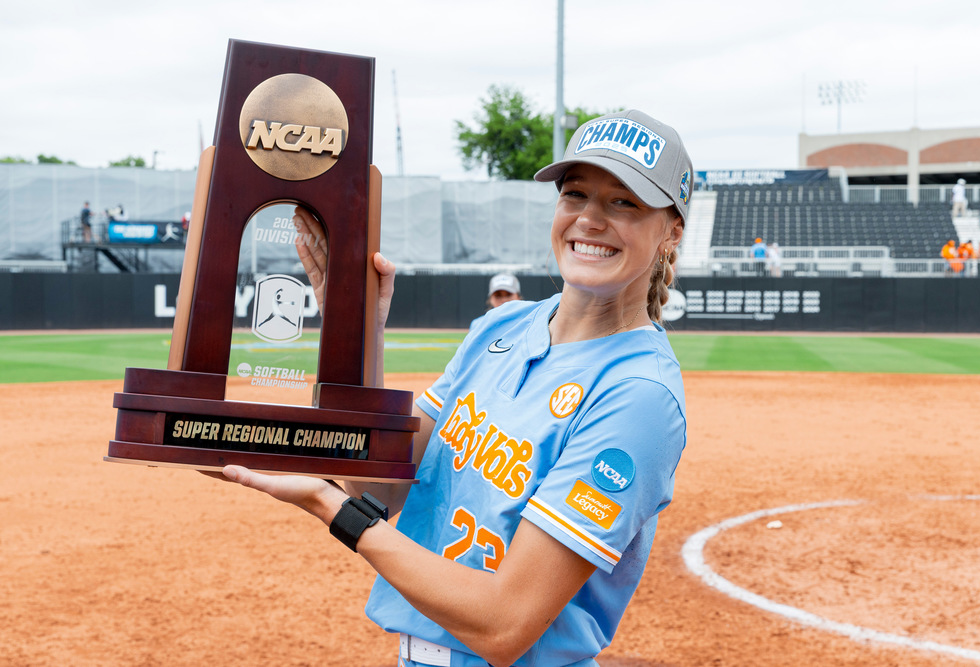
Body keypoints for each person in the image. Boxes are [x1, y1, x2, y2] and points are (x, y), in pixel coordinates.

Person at [217, 109, 690, 666]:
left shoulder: (639, 395)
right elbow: (381, 487)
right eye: (576, 194)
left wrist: (329, 505)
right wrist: (356, 334)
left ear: (671, 231)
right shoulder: (502, 326)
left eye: (624, 202)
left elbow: (502, 623)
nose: (589, 218)